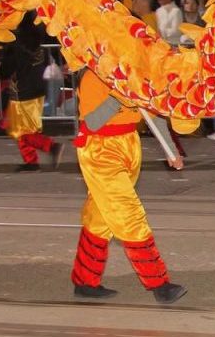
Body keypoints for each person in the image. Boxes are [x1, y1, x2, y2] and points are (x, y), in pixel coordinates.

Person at [69, 71, 187, 304]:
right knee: (128, 214)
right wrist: (120, 96)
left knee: (100, 216)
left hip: (129, 145)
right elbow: (92, 122)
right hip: (100, 148)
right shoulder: (93, 77)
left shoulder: (132, 71)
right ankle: (159, 283)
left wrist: (171, 149)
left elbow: (152, 113)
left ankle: (85, 280)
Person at [0, 14, 64, 172]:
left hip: (22, 90)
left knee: (19, 130)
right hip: (37, 88)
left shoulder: (14, 40)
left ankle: (50, 146)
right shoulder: (37, 37)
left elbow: (7, 67)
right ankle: (31, 161)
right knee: (27, 128)